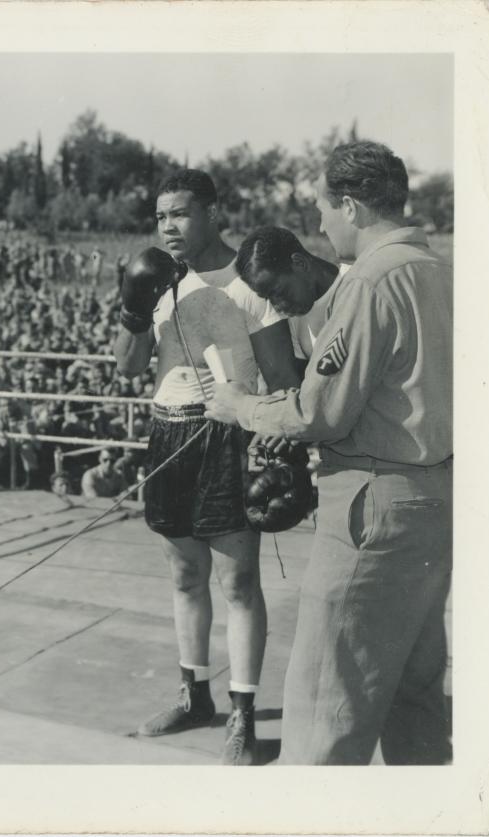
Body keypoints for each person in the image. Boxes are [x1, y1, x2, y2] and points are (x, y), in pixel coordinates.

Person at [205, 141, 452, 765]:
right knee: (414, 704)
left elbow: (320, 413)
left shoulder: (370, 281)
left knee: (325, 709)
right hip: (434, 504)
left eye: (322, 211)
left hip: (373, 511)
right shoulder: (436, 270)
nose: (321, 227)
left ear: (350, 206)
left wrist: (242, 407)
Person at [113, 169, 300, 765]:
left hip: (227, 434)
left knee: (238, 583)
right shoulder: (157, 279)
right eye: (160, 216)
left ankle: (242, 715)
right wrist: (133, 309)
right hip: (167, 429)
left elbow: (283, 377)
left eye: (180, 213)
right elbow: (127, 367)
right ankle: (194, 697)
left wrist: (275, 442)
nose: (168, 226)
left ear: (214, 213)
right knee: (184, 577)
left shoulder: (249, 282)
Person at [234, 225, 350, 369]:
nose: (277, 307)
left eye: (278, 292)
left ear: (300, 263)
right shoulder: (297, 318)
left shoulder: (357, 287)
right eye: (268, 298)